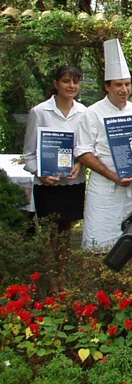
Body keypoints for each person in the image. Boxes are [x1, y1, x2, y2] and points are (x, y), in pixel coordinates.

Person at [75, 40, 132, 249]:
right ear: (107, 86)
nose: (124, 89)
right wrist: (113, 176)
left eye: (127, 84)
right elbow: (83, 152)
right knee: (100, 241)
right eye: (118, 84)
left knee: (130, 241)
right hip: (105, 189)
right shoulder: (92, 113)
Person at [22, 65, 87, 290]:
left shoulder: (84, 113)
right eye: (66, 81)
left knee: (66, 232)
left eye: (75, 82)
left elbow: (85, 150)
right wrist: (40, 172)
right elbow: (29, 154)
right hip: (47, 184)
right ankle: (51, 280)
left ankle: (62, 277)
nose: (71, 86)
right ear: (56, 84)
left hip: (72, 183)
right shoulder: (39, 112)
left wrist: (80, 164)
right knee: (49, 234)